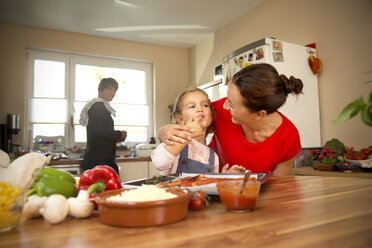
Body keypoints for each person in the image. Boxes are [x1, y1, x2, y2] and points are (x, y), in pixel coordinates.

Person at [158, 63, 303, 177]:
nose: (224, 106)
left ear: (259, 114)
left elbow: (279, 185)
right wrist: (164, 131)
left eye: (231, 104)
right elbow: (185, 122)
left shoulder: (289, 137)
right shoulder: (220, 110)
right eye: (227, 98)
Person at [151, 87, 245, 175]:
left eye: (205, 105)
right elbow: (159, 163)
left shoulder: (213, 156)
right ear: (180, 120)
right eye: (192, 106)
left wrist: (224, 176)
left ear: (211, 116)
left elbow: (210, 186)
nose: (199, 109)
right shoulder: (173, 142)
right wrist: (187, 133)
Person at [79, 78, 127, 175]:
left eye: (115, 90)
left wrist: (116, 137)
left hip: (98, 158)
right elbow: (101, 130)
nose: (113, 93)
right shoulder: (98, 106)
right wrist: (119, 134)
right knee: (108, 189)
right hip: (100, 159)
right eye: (109, 89)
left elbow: (99, 132)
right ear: (100, 89)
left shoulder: (98, 105)